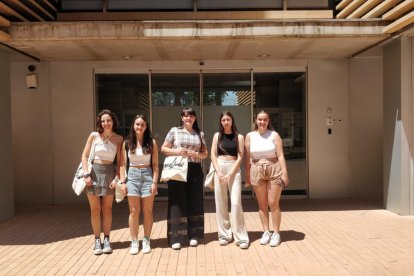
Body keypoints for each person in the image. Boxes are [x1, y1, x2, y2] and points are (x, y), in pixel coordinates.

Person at [161, 107, 208, 250]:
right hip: (178, 169)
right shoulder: (174, 130)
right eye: (186, 116)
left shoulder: (199, 134)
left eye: (191, 116)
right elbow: (163, 149)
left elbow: (204, 154)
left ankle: (194, 235)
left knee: (195, 201)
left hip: (194, 169)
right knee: (177, 202)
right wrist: (177, 151)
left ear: (195, 118)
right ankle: (177, 237)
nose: (188, 118)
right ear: (182, 118)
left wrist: (195, 153)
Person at [81, 109, 123, 255]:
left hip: (110, 173)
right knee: (95, 209)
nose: (106, 123)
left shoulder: (119, 139)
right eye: (103, 121)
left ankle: (106, 239)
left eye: (108, 120)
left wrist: (117, 178)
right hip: (93, 173)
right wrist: (86, 174)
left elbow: (120, 162)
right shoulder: (93, 136)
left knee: (107, 209)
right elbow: (85, 156)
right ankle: (96, 240)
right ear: (100, 122)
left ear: (113, 122)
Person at [245, 110, 289, 247]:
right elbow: (247, 159)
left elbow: (280, 155)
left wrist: (285, 173)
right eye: (260, 119)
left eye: (265, 119)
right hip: (256, 169)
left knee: (273, 202)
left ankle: (276, 233)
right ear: (256, 121)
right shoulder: (250, 136)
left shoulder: (274, 135)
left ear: (268, 121)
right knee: (262, 204)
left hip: (274, 168)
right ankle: (266, 232)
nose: (262, 122)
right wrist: (247, 177)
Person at [119, 115, 159, 255]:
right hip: (133, 176)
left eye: (142, 125)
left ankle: (146, 239)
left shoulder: (152, 142)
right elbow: (123, 164)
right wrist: (123, 182)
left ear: (146, 126)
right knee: (134, 211)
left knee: (147, 210)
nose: (139, 127)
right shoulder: (127, 143)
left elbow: (155, 165)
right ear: (133, 126)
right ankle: (134, 241)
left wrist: (155, 182)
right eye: (137, 124)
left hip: (148, 175)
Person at [210, 111, 249, 249]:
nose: (226, 122)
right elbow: (213, 155)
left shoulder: (239, 137)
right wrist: (219, 172)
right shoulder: (217, 136)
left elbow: (240, 156)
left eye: (228, 119)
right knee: (220, 203)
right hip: (219, 168)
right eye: (223, 120)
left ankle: (241, 237)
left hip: (234, 169)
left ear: (232, 120)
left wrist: (231, 172)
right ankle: (224, 235)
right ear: (221, 122)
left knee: (236, 203)